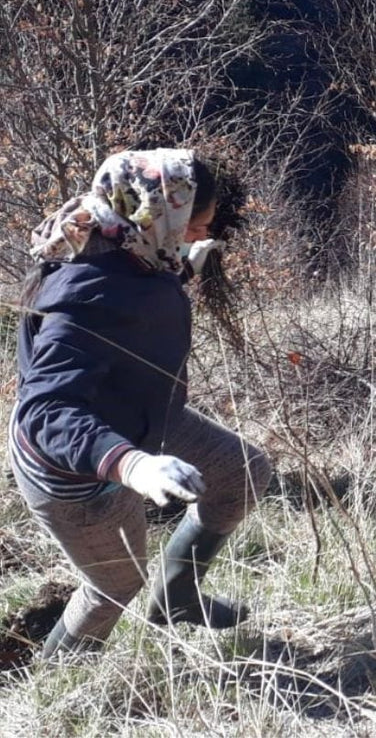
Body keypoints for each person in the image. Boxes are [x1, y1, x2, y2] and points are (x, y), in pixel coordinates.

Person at [10, 149, 272, 658]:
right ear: (162, 213)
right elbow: (45, 413)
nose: (201, 232)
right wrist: (133, 465)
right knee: (113, 586)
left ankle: (178, 597)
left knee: (244, 471)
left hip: (141, 416)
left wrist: (183, 271)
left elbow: (132, 304)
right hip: (75, 471)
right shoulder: (84, 291)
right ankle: (59, 688)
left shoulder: (131, 242)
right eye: (197, 223)